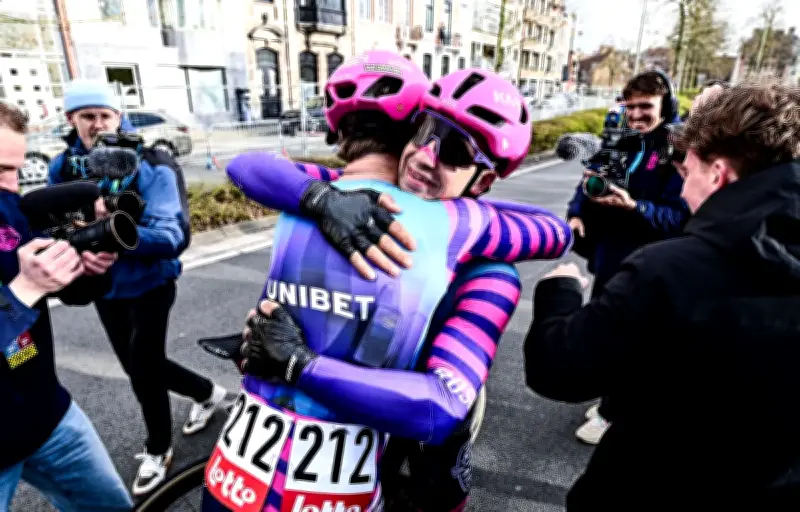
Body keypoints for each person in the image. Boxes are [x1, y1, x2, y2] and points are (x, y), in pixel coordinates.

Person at [201, 56, 570, 512]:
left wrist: (300, 364)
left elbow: (441, 406)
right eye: (425, 133)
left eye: (454, 153)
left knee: (439, 487)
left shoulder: (482, 252)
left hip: (373, 438)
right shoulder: (347, 194)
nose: (427, 156)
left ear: (485, 179)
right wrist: (322, 200)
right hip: (333, 464)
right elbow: (252, 166)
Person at [524, 81, 800, 510]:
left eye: (686, 172)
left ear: (717, 173)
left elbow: (559, 369)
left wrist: (558, 293)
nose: (683, 186)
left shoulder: (670, 273)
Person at [47, 80, 230, 495]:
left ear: (119, 117)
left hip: (151, 283)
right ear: (71, 120)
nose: (96, 124)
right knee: (136, 364)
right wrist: (75, 243)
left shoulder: (151, 163)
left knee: (143, 368)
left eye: (104, 115)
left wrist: (110, 232)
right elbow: (54, 221)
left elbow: (172, 235)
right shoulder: (62, 167)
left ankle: (159, 449)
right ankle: (208, 393)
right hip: (103, 286)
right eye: (86, 116)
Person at [0, 102, 133, 511]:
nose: (11, 186)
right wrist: (22, 291)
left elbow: (72, 295)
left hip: (47, 414)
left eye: (15, 171)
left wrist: (89, 268)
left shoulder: (10, 212)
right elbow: (23, 293)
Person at [565, 70, 690, 444]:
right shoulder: (620, 138)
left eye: (645, 107)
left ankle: (612, 413)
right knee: (605, 329)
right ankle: (610, 401)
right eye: (630, 105)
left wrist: (634, 206)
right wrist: (576, 211)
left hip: (649, 263)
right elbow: (589, 179)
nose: (635, 114)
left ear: (665, 105)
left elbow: (680, 218)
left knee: (632, 340)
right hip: (609, 256)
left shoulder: (677, 148)